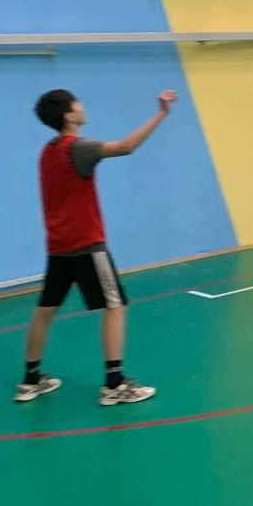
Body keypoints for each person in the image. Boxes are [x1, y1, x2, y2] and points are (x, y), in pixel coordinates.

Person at [15, 89, 174, 406]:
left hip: (58, 246)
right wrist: (161, 113)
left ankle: (30, 380)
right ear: (69, 115)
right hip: (87, 244)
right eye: (77, 103)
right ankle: (114, 384)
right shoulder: (79, 148)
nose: (82, 105)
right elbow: (126, 147)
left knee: (45, 310)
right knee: (115, 306)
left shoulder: (47, 151)